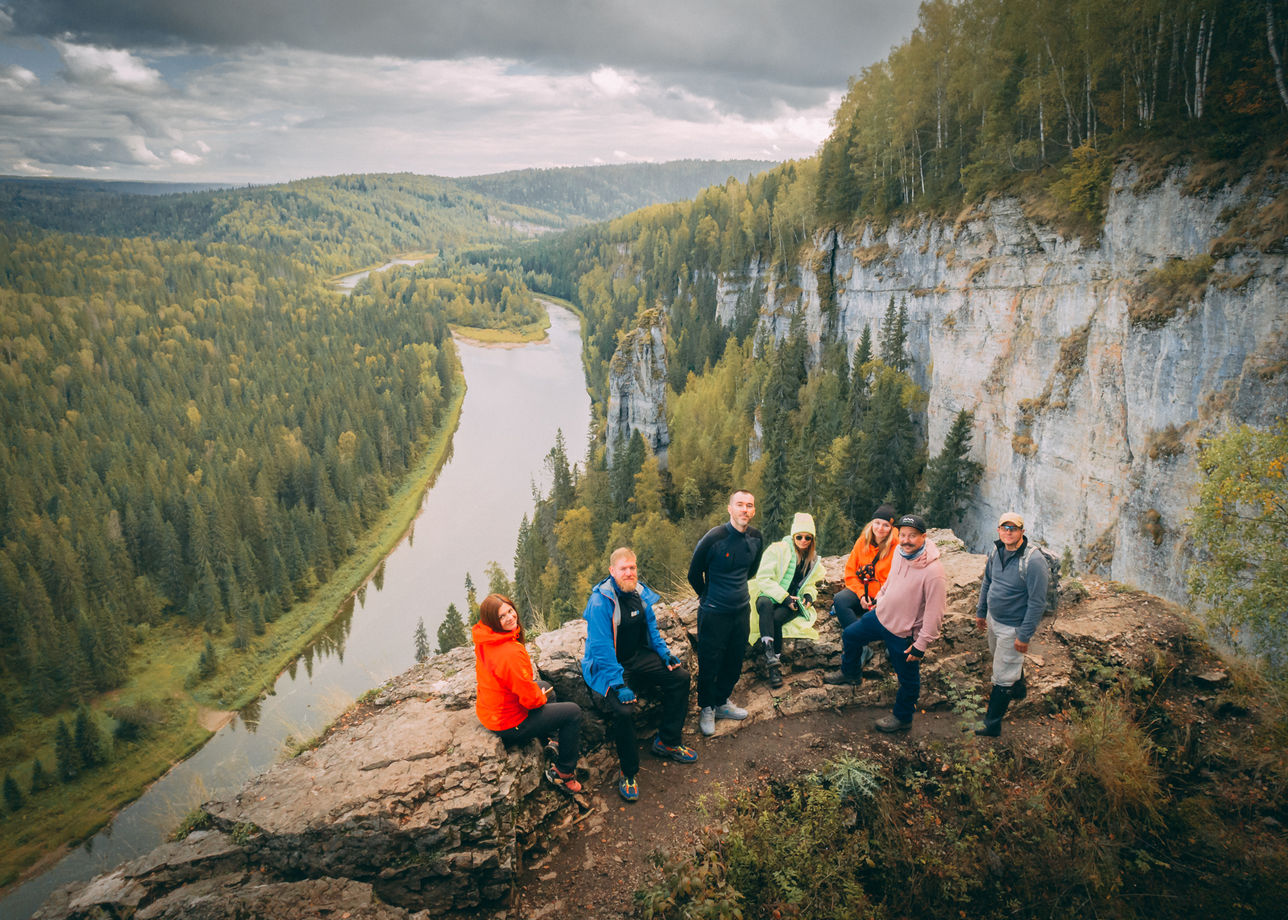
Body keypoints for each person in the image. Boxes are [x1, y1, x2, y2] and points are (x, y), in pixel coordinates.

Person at [581, 547, 696, 803]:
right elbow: (600, 648)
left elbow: (652, 628)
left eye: (632, 567)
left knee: (680, 678)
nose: (629, 572)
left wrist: (664, 654)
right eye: (623, 568)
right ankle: (629, 771)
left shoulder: (640, 594)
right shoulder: (601, 602)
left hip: (637, 657)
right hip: (609, 666)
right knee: (623, 711)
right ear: (612, 571)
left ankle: (667, 741)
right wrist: (617, 684)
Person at [824, 514, 946, 733]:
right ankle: (851, 672)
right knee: (850, 635)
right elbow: (891, 580)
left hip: (903, 631)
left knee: (908, 679)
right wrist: (880, 596)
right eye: (904, 535)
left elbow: (935, 612)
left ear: (923, 537)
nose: (907, 540)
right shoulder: (901, 553)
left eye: (913, 536)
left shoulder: (933, 572)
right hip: (881, 615)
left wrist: (921, 644)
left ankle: (903, 717)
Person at [473, 593, 583, 794]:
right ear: (492, 621)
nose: (510, 617)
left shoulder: (485, 639)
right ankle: (563, 773)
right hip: (509, 723)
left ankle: (553, 741)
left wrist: (538, 691)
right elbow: (532, 701)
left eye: (509, 610)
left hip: (491, 712)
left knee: (544, 685)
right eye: (501, 616)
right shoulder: (509, 652)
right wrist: (539, 696)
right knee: (572, 713)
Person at [687, 489, 764, 736]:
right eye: (739, 504)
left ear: (753, 511)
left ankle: (722, 702)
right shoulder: (714, 538)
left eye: (749, 505)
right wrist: (707, 595)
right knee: (710, 661)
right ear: (730, 509)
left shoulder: (755, 538)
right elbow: (693, 573)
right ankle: (707, 708)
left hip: (741, 610)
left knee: (734, 659)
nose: (745, 509)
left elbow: (750, 571)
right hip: (713, 613)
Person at [974, 511, 1049, 737]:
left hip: (1013, 626)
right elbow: (988, 581)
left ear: (1022, 532)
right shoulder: (996, 552)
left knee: (1002, 675)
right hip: (994, 620)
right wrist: (981, 611)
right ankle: (1019, 689)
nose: (1008, 532)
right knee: (1003, 660)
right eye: (1004, 528)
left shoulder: (1034, 562)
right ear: (998, 530)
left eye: (1013, 528)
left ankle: (992, 724)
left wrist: (1024, 636)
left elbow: (1037, 603)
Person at [748, 511, 823, 689]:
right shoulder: (777, 549)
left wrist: (808, 596)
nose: (803, 540)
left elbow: (811, 584)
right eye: (799, 536)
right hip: (772, 593)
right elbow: (764, 578)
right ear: (793, 535)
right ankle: (770, 655)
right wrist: (783, 596)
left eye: (808, 537)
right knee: (764, 603)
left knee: (775, 619)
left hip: (793, 601)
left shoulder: (812, 560)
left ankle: (774, 665)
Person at [830, 504, 898, 629]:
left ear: (891, 528)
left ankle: (861, 635)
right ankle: (860, 644)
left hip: (885, 598)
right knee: (840, 599)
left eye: (886, 525)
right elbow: (850, 573)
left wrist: (881, 600)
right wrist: (862, 595)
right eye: (877, 523)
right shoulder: (862, 542)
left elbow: (898, 581)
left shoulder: (897, 547)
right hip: (864, 593)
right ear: (872, 523)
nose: (880, 528)